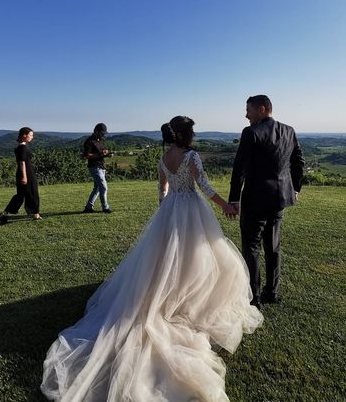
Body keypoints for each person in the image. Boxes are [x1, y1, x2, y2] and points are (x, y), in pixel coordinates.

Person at [41, 116, 262, 402]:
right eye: (191, 131)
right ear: (184, 134)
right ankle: (186, 302)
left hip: (171, 211)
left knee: (167, 261)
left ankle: (170, 296)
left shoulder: (163, 158)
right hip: (191, 209)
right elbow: (204, 186)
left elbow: (162, 190)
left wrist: (166, 215)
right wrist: (225, 206)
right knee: (197, 259)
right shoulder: (190, 156)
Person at [229, 95, 304, 309]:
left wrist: (234, 198)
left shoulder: (251, 132)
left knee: (251, 247)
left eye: (249, 111)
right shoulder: (289, 130)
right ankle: (272, 292)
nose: (246, 115)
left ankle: (254, 299)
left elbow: (239, 169)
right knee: (273, 246)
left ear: (261, 109)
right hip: (280, 198)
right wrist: (295, 188)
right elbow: (298, 162)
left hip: (255, 199)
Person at [0, 127, 42, 223]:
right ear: (24, 135)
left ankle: (4, 214)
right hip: (27, 174)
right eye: (31, 135)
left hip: (23, 173)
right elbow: (22, 163)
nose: (32, 137)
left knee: (20, 195)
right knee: (33, 193)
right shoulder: (22, 148)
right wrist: (25, 177)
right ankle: (35, 214)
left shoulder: (20, 147)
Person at [82, 123, 113, 213]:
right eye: (102, 133)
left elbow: (102, 152)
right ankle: (105, 208)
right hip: (94, 167)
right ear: (96, 131)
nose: (103, 134)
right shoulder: (89, 141)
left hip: (101, 166)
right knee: (103, 187)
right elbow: (86, 155)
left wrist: (108, 153)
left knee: (97, 188)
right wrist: (100, 154)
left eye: (104, 133)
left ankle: (88, 207)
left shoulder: (101, 140)